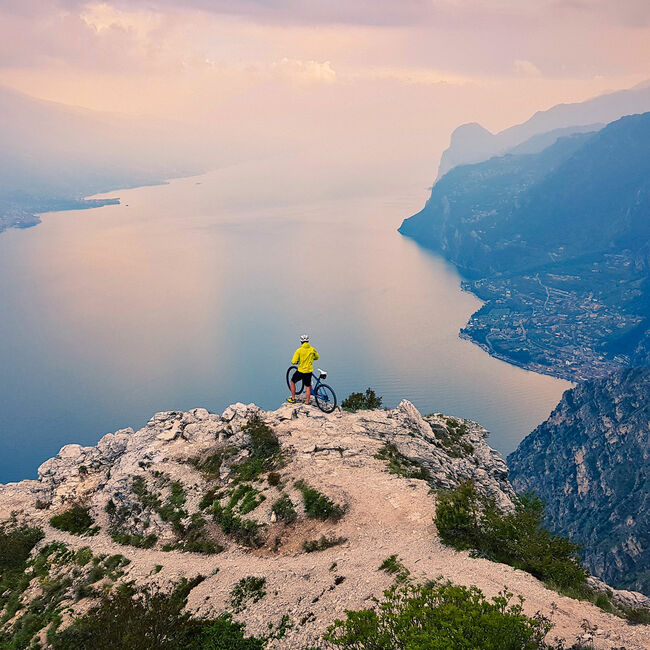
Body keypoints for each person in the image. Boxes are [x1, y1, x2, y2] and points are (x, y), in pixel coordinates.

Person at [287, 334, 319, 405]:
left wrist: (296, 362)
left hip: (301, 371)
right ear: (308, 341)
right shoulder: (312, 349)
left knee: (292, 382)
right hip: (309, 371)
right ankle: (307, 402)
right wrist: (311, 358)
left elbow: (293, 361)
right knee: (307, 386)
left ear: (301, 342)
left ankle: (293, 398)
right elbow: (317, 357)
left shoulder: (299, 350)